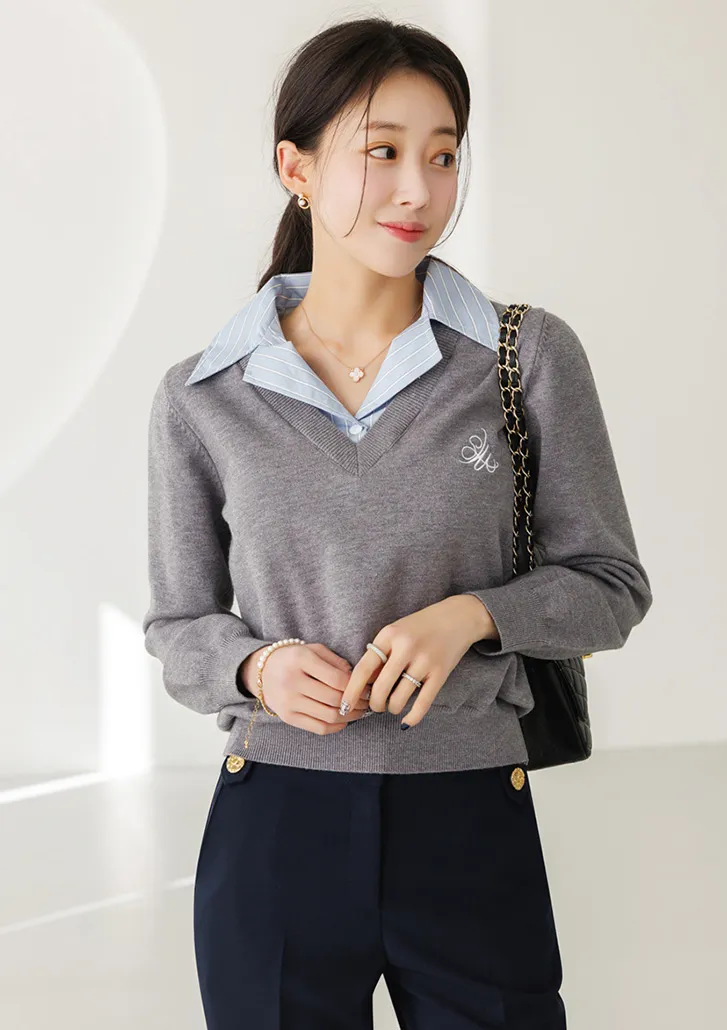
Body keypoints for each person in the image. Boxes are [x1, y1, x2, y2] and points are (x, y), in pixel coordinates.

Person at [142, 15, 653, 1030]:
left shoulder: (525, 359)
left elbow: (611, 585)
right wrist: (257, 668)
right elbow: (177, 627)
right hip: (275, 819)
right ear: (296, 168)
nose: (419, 189)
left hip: (470, 812)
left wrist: (472, 616)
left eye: (444, 155)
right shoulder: (203, 396)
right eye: (382, 152)